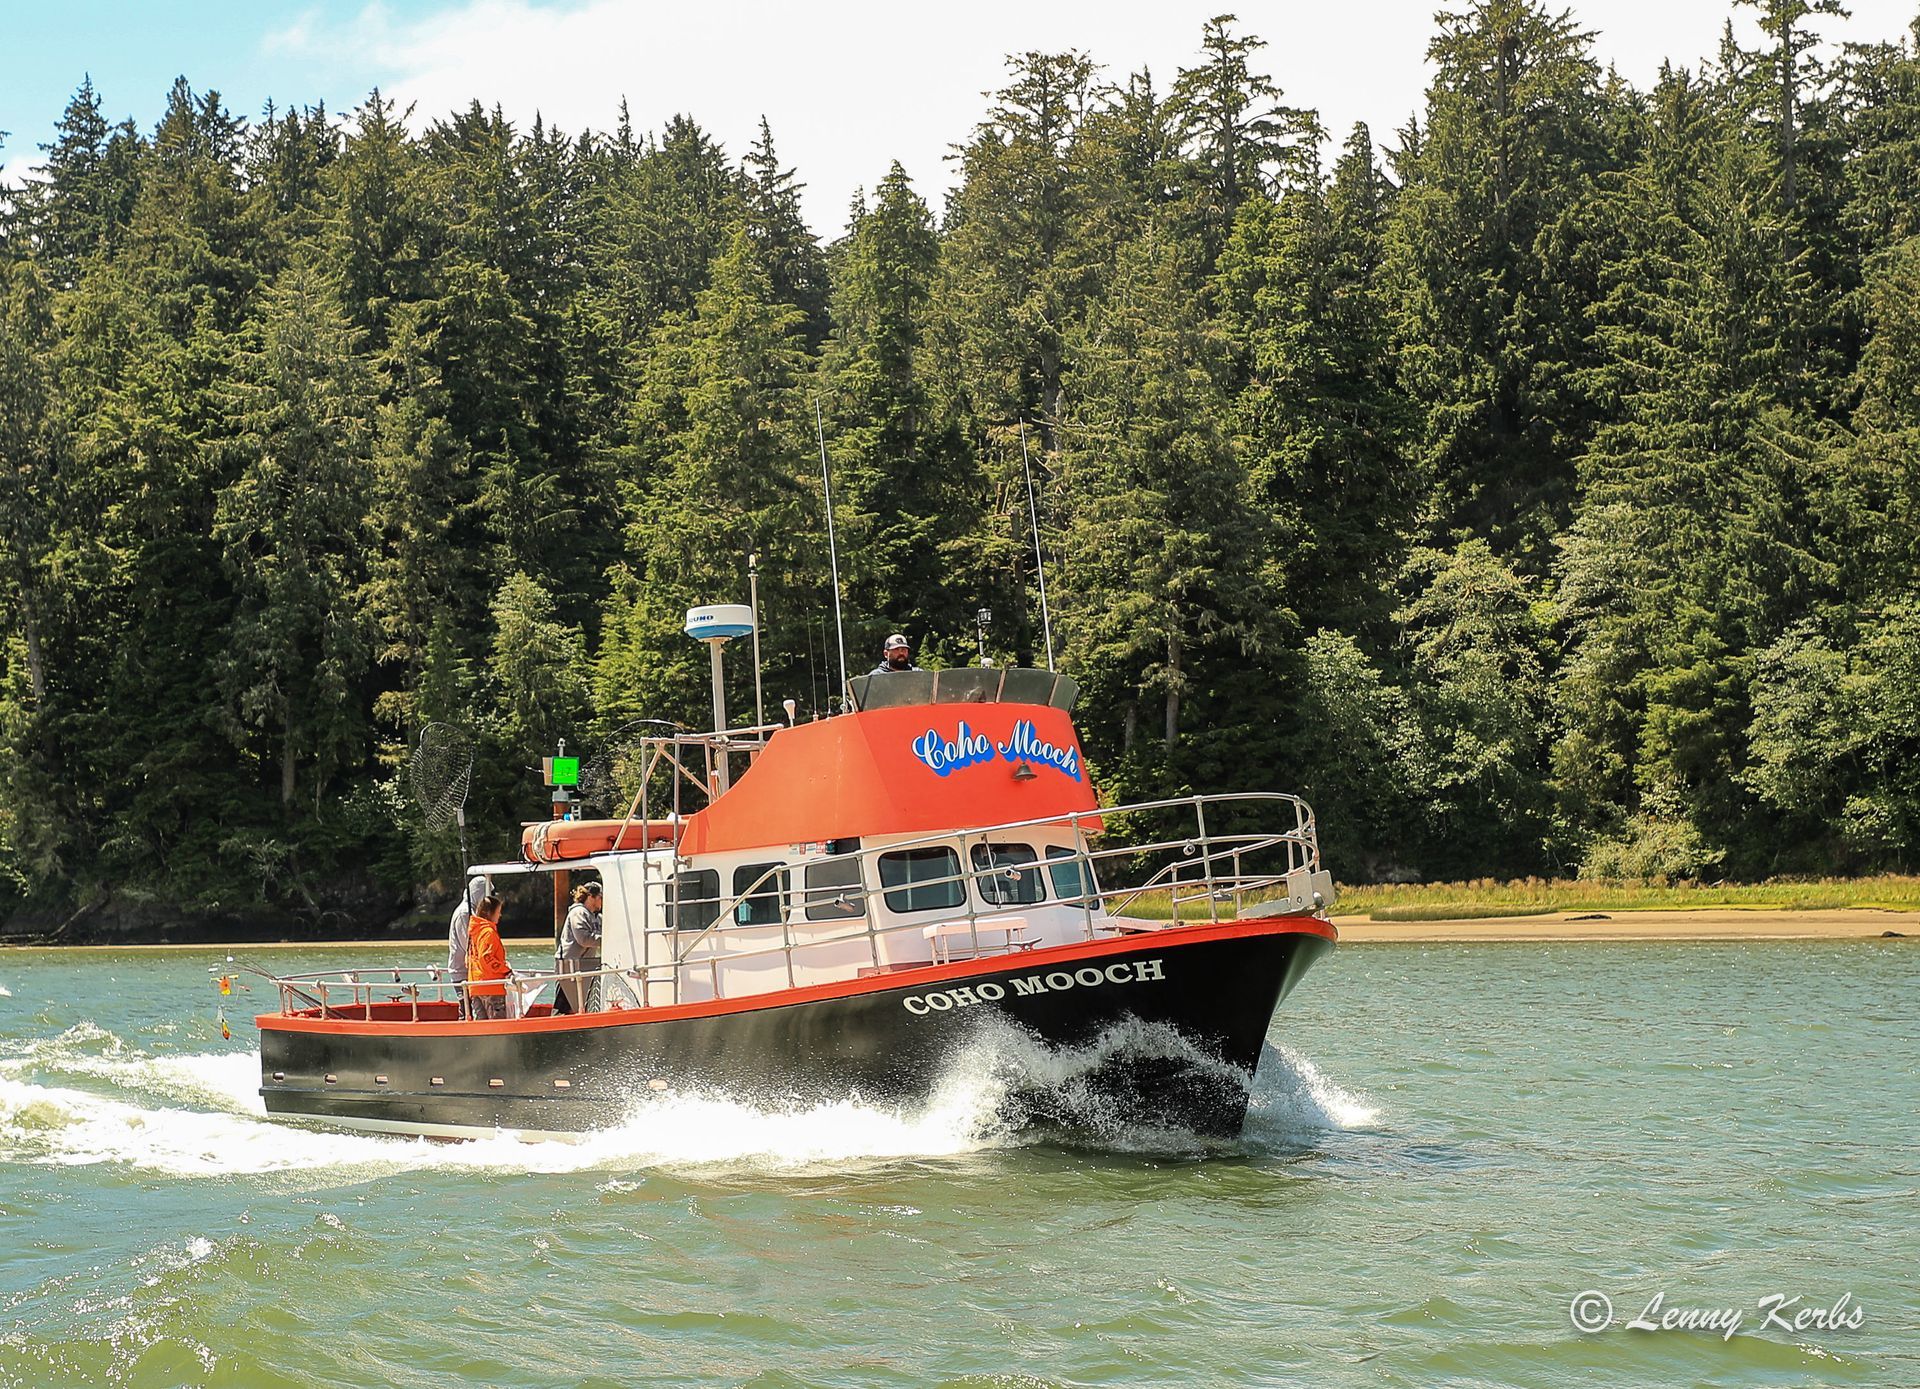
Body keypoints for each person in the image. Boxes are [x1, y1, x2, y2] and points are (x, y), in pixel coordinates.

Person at [554, 882, 603, 1015]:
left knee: (580, 1003)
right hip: (569, 966)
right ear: (591, 897)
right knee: (565, 1006)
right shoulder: (578, 912)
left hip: (583, 965)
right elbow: (584, 939)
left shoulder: (597, 917)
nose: (602, 901)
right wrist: (606, 939)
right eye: (600, 897)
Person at [447, 874, 491, 1018]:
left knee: (473, 1008)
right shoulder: (464, 913)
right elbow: (469, 943)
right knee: (468, 1009)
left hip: (472, 971)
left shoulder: (472, 913)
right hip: (463, 971)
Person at [465, 895, 511, 1021]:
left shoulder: (474, 932)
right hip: (491, 986)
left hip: (475, 986)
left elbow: (469, 959)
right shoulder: (488, 933)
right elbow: (487, 958)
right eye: (498, 911)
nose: (500, 915)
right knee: (497, 1025)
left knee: (480, 1025)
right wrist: (505, 970)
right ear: (489, 913)